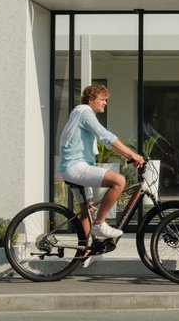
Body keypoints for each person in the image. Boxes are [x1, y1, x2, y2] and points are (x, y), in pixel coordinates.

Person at [58, 84, 145, 241]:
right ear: (91, 99)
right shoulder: (84, 111)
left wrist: (128, 156)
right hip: (75, 166)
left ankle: (84, 253)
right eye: (102, 99)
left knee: (87, 211)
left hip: (73, 166)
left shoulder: (80, 113)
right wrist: (133, 154)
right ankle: (100, 224)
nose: (105, 103)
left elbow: (106, 143)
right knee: (119, 181)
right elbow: (105, 136)